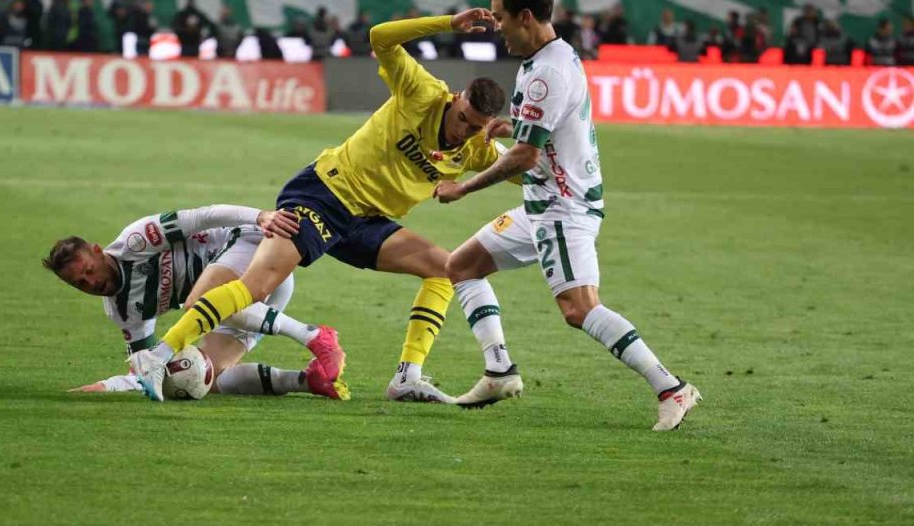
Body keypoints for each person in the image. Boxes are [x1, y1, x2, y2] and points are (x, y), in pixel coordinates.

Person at [128, 9, 513, 404]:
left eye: (473, 126)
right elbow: (380, 34)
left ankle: (406, 377)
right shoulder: (422, 92)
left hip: (366, 222)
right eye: (461, 118)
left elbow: (526, 165)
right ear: (456, 99)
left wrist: (522, 131)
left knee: (444, 269)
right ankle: (157, 357)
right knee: (256, 286)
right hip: (324, 194)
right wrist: (449, 23)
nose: (461, 130)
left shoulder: (477, 149)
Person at [432, 0, 701, 431]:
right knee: (461, 265)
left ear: (525, 17)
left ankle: (671, 388)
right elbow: (541, 131)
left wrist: (463, 188)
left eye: (501, 18)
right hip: (542, 201)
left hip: (562, 206)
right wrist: (510, 124)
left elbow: (526, 155)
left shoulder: (546, 73)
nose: (497, 27)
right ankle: (499, 372)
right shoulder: (546, 57)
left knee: (578, 308)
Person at [44, 205, 347, 400]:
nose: (91, 282)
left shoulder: (137, 240)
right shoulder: (121, 312)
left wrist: (260, 217)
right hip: (255, 305)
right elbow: (146, 365)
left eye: (88, 271)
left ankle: (315, 336)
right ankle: (308, 381)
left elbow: (205, 216)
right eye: (79, 283)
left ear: (97, 251)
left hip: (253, 249)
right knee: (204, 376)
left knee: (200, 304)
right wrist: (110, 385)